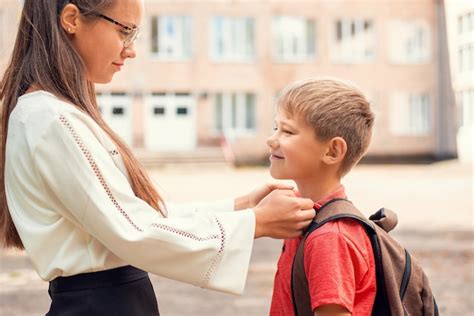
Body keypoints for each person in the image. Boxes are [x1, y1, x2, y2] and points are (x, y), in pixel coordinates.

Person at [0, 0, 316, 315]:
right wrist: (255, 223)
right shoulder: (51, 119)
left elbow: (135, 214)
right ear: (71, 19)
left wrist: (240, 207)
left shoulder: (55, 114)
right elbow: (134, 230)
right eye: (125, 31)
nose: (131, 49)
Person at [267, 78, 377, 316]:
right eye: (276, 128)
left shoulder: (329, 238)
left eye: (287, 131)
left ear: (332, 151)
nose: (271, 139)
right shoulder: (303, 215)